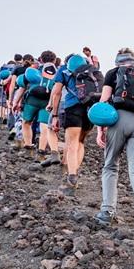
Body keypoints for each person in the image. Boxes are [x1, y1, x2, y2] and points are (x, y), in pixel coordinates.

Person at [93, 48, 134, 234]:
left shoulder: (113, 73)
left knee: (111, 166)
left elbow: (103, 103)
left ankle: (107, 212)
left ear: (117, 61)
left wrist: (100, 130)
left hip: (119, 119)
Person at [49, 53, 104, 194]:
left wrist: (54, 114)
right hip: (90, 109)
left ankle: (71, 178)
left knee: (71, 143)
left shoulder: (63, 70)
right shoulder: (92, 70)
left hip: (72, 107)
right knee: (80, 142)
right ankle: (75, 172)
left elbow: (56, 92)